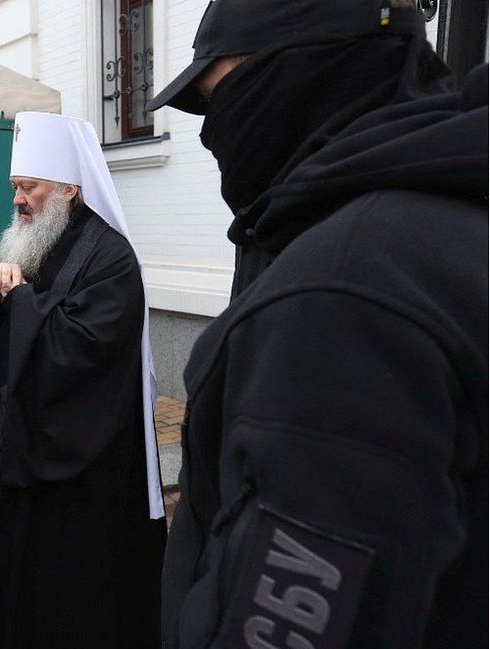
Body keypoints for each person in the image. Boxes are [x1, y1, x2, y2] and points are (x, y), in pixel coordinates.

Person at [145, 1, 488, 647]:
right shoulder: (439, 220)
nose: (214, 134)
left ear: (296, 77)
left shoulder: (343, 298)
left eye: (223, 100)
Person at [0, 112, 168, 649]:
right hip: (15, 449)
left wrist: (19, 301)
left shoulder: (111, 256)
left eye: (29, 188)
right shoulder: (30, 242)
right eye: (14, 188)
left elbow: (84, 348)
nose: (18, 201)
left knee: (65, 595)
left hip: (77, 464)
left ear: (69, 189)